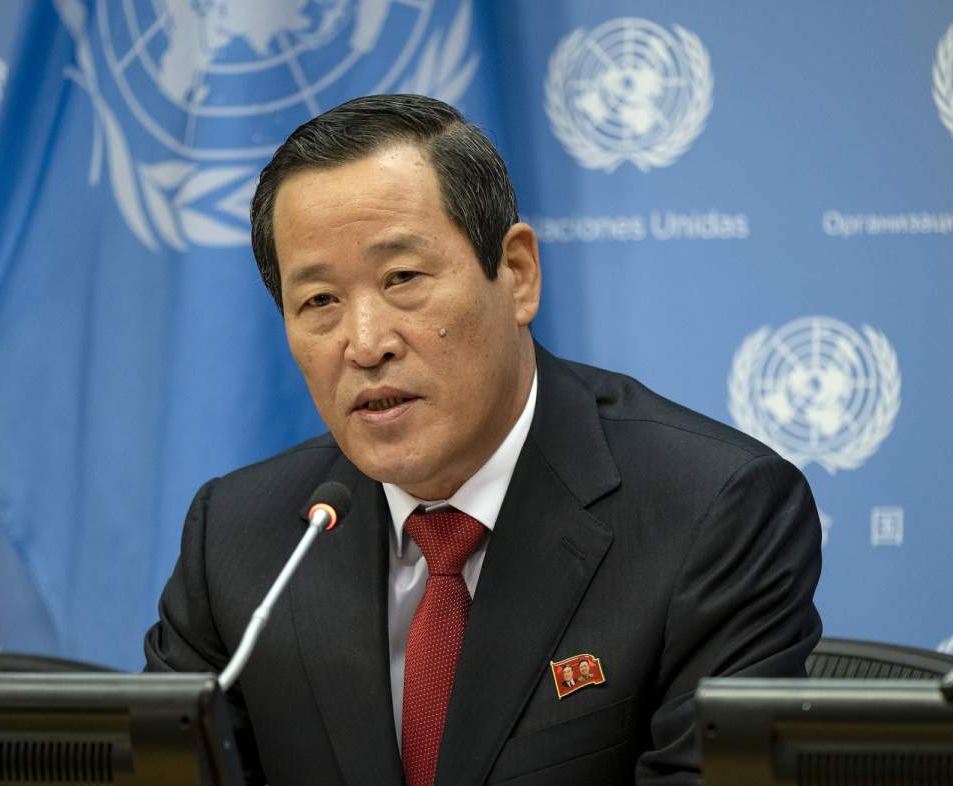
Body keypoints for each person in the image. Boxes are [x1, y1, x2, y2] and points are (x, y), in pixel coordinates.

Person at [145, 94, 823, 786]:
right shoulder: (240, 538)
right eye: (319, 301)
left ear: (518, 275)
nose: (366, 343)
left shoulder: (711, 513)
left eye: (402, 278)